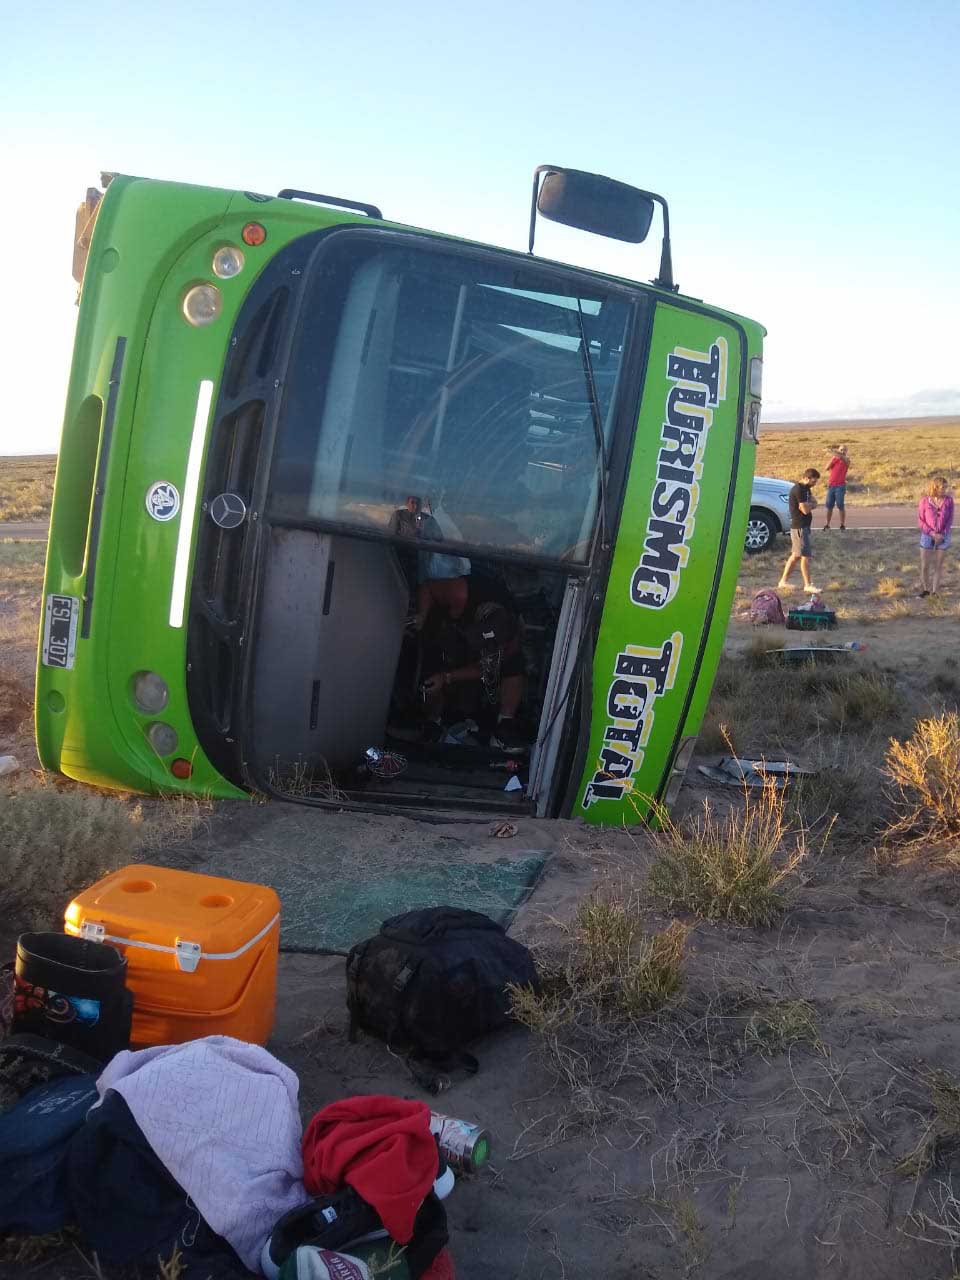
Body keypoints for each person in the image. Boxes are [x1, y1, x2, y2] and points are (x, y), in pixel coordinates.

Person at [412, 573, 527, 751]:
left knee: (514, 667)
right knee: (432, 670)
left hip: (487, 644)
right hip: (450, 629)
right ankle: (433, 721)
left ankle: (504, 727)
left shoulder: (512, 637)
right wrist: (421, 615)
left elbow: (486, 668)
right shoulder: (460, 594)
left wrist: (447, 676)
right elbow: (427, 587)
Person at [778, 468, 821, 593]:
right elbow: (805, 510)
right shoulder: (798, 490)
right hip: (800, 527)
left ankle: (783, 581)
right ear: (807, 478)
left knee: (796, 556)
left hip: (804, 526)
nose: (815, 484)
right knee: (805, 556)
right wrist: (811, 505)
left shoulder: (806, 489)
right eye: (814, 481)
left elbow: (814, 502)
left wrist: (811, 504)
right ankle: (808, 585)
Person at [917, 476, 954, 597]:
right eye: (942, 488)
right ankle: (925, 590)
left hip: (943, 536)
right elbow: (921, 521)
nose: (944, 490)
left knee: (938, 565)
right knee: (925, 565)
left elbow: (949, 520)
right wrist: (932, 533)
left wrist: (942, 534)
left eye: (945, 487)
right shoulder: (924, 501)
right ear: (935, 487)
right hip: (927, 535)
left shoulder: (949, 501)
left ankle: (935, 592)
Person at [823, 444, 850, 530]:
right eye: (841, 450)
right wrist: (833, 457)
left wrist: (832, 452)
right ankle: (827, 524)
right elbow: (826, 468)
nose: (842, 451)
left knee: (840, 505)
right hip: (831, 485)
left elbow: (842, 457)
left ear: (846, 451)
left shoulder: (846, 460)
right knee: (829, 506)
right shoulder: (835, 459)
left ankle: (842, 524)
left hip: (840, 486)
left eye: (844, 450)